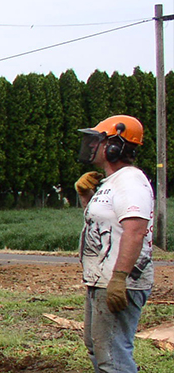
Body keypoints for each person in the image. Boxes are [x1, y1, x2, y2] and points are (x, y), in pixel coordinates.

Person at [74, 114, 154, 373]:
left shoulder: (130, 181)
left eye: (98, 140)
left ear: (114, 146)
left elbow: (135, 231)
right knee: (99, 349)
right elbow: (104, 225)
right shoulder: (112, 182)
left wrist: (119, 278)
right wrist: (88, 197)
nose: (91, 145)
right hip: (101, 281)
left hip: (119, 283)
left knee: (113, 356)